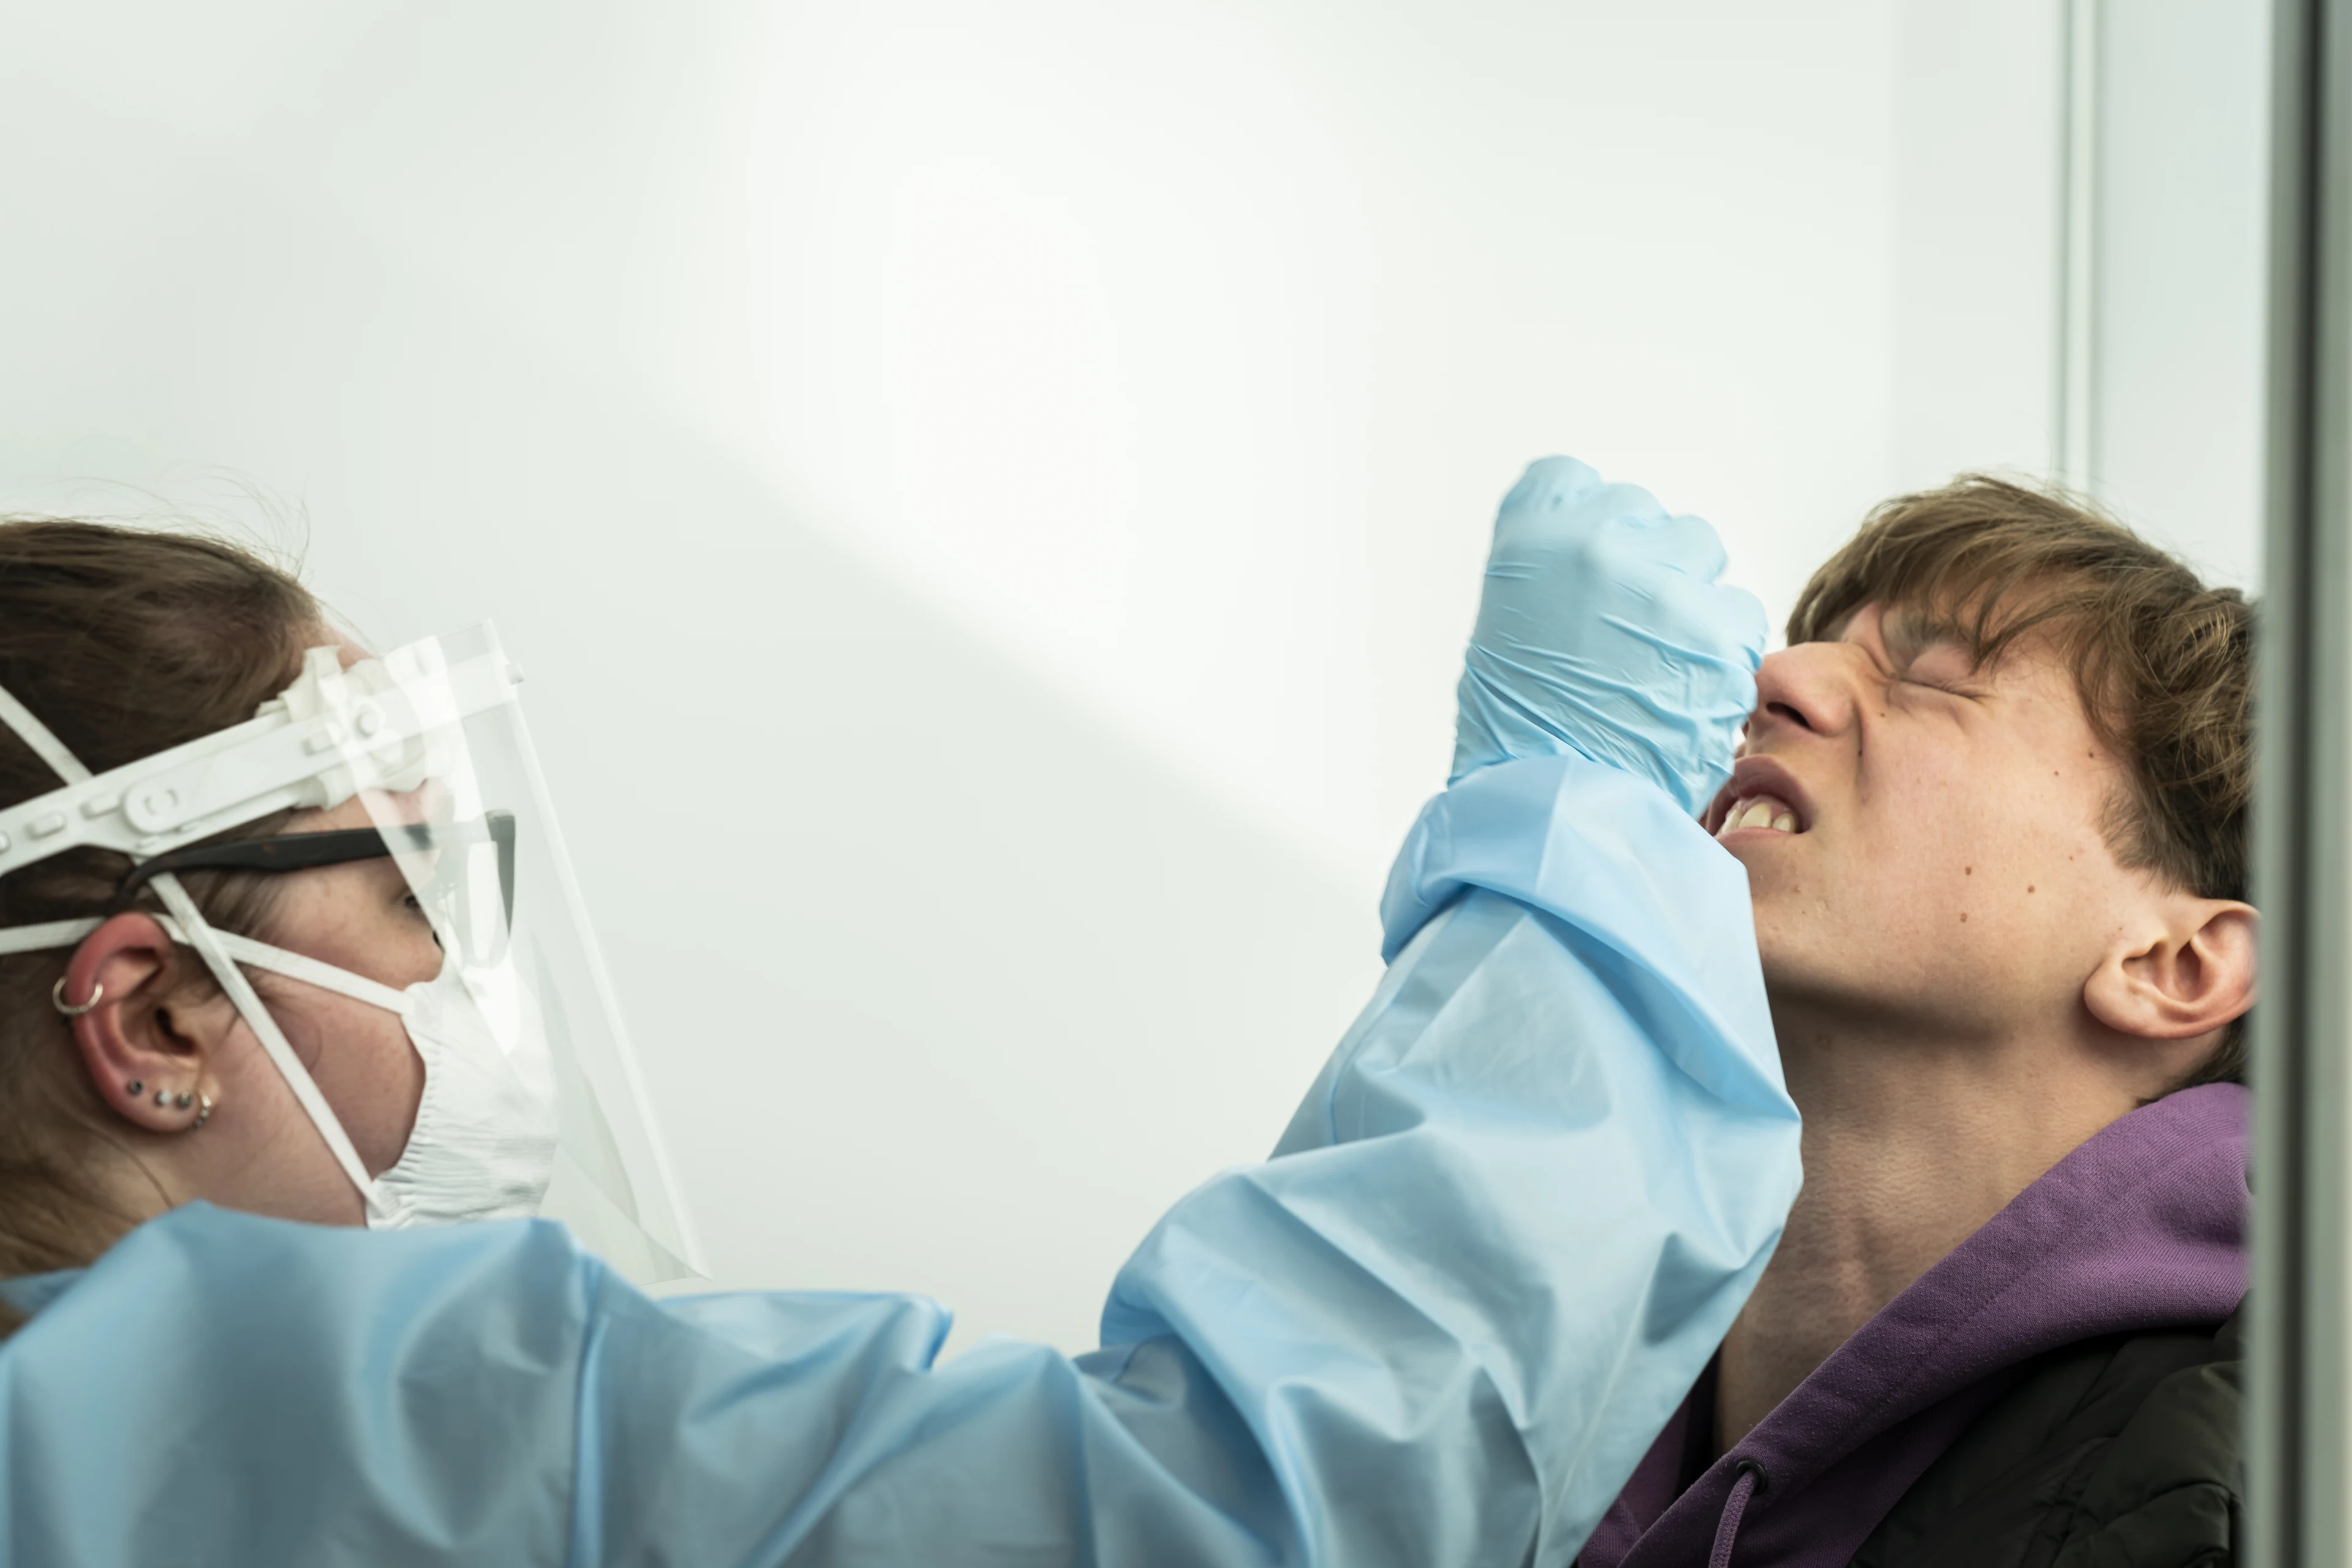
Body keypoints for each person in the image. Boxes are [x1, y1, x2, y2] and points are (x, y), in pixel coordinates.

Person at [0, 460, 1801, 1567]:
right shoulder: (327, 1409)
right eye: (414, 903)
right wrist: (1577, 854)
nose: (469, 981)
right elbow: (1243, 1513)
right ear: (149, 1017)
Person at [1577, 478, 2254, 1566]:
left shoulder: (2283, 1486)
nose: (1774, 680)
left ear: (2171, 966)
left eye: (1928, 679)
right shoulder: (1512, 1406)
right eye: (1812, 649)